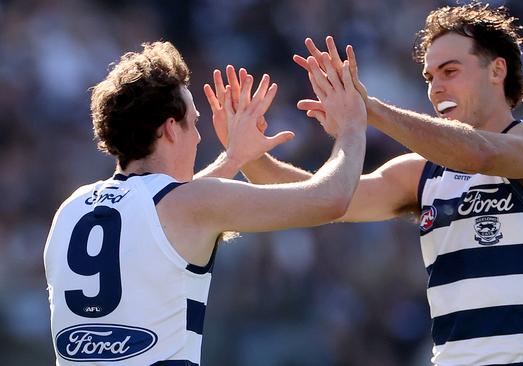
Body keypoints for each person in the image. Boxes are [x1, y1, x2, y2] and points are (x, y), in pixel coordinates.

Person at [208, 3, 523, 365]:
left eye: (450, 71)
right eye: (430, 78)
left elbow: (481, 154)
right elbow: (318, 198)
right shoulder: (422, 172)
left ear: (497, 70)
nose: (435, 89)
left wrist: (370, 110)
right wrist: (250, 156)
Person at [43, 41, 366, 365]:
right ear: (170, 129)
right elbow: (331, 199)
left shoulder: (71, 208)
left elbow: (166, 212)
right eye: (194, 123)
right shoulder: (189, 205)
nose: (198, 137)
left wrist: (234, 158)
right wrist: (352, 125)